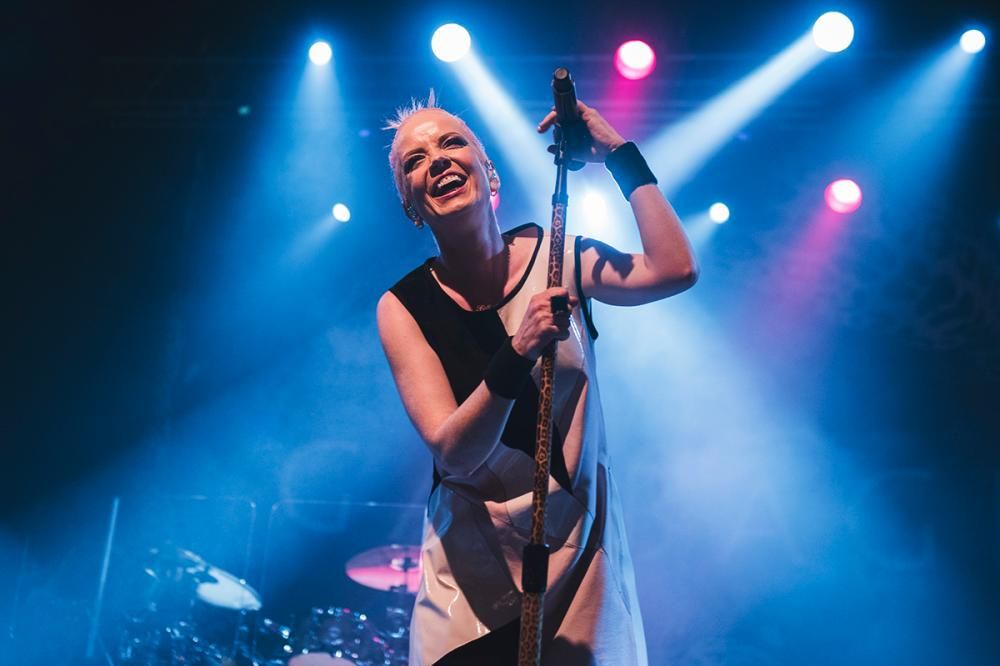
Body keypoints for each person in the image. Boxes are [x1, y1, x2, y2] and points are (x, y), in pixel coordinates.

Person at [377, 91, 698, 665]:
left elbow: (674, 268)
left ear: (488, 171)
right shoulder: (404, 306)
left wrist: (619, 155)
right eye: (415, 161)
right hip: (472, 566)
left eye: (452, 143)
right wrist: (519, 349)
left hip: (576, 548)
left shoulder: (560, 258)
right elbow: (454, 453)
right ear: (410, 205)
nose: (438, 160)